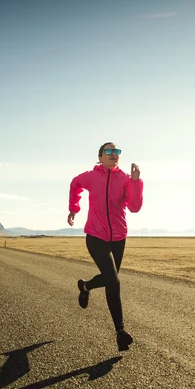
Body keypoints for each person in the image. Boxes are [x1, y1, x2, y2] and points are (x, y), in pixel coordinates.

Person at [67, 142, 143, 351]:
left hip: (119, 237)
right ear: (100, 156)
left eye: (117, 152)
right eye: (108, 151)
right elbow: (75, 184)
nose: (114, 155)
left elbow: (134, 207)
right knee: (113, 281)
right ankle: (120, 332)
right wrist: (74, 208)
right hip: (96, 236)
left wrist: (136, 183)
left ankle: (85, 286)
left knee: (111, 278)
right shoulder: (91, 176)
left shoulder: (125, 180)